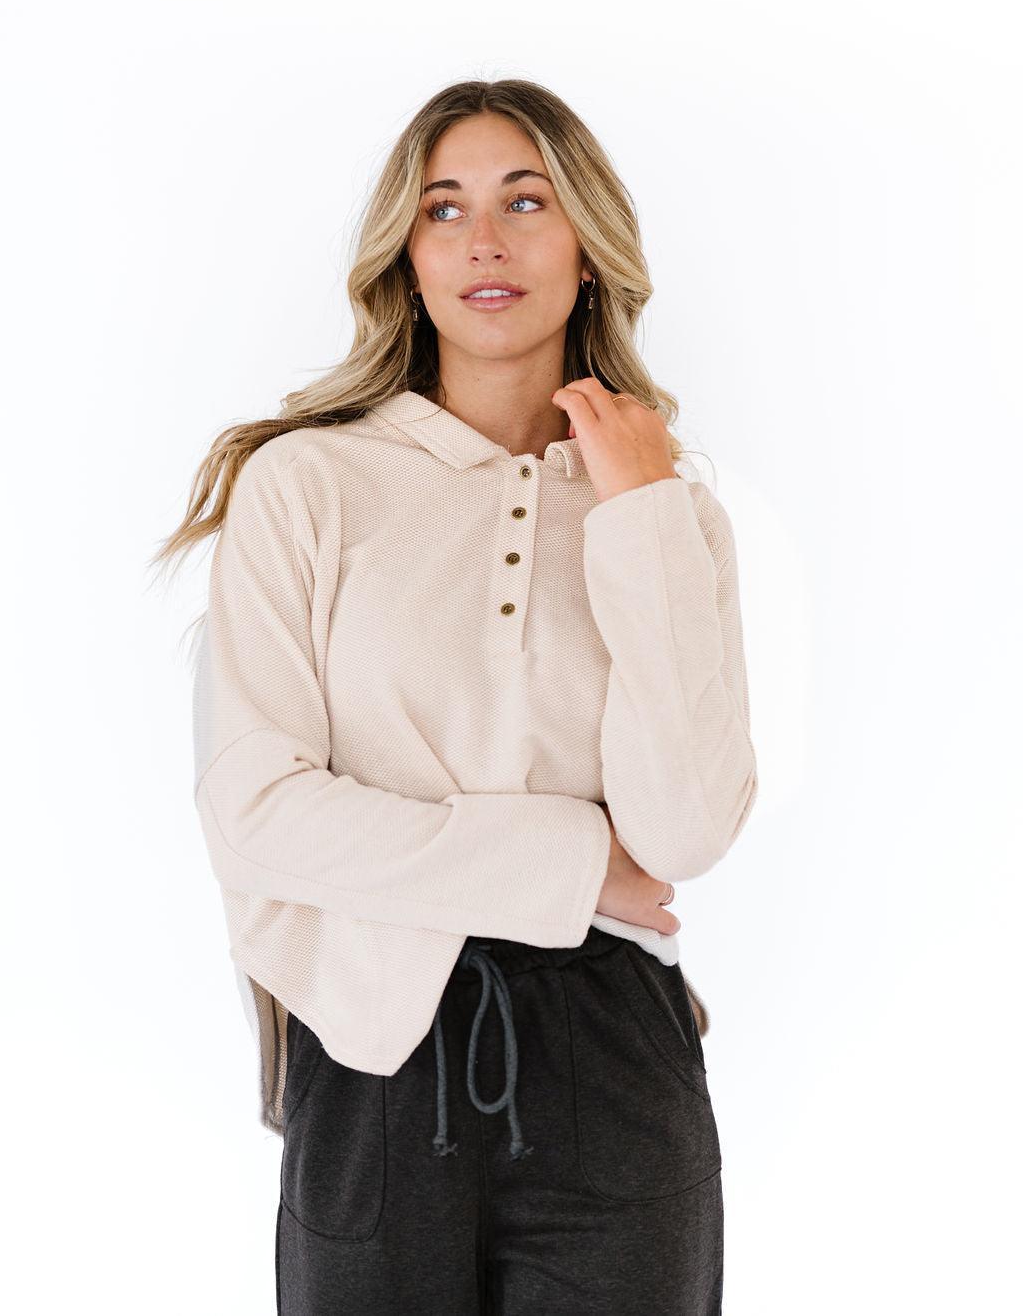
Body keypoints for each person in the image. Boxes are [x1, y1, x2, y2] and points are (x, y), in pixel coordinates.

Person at [154, 77, 758, 1314]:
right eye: (443, 208)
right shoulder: (308, 484)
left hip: (616, 1058)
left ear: (587, 245)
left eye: (525, 201)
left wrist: (640, 510)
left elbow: (687, 830)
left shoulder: (667, 511)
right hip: (375, 1050)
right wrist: (575, 863)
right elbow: (255, 816)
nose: (484, 240)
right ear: (408, 259)